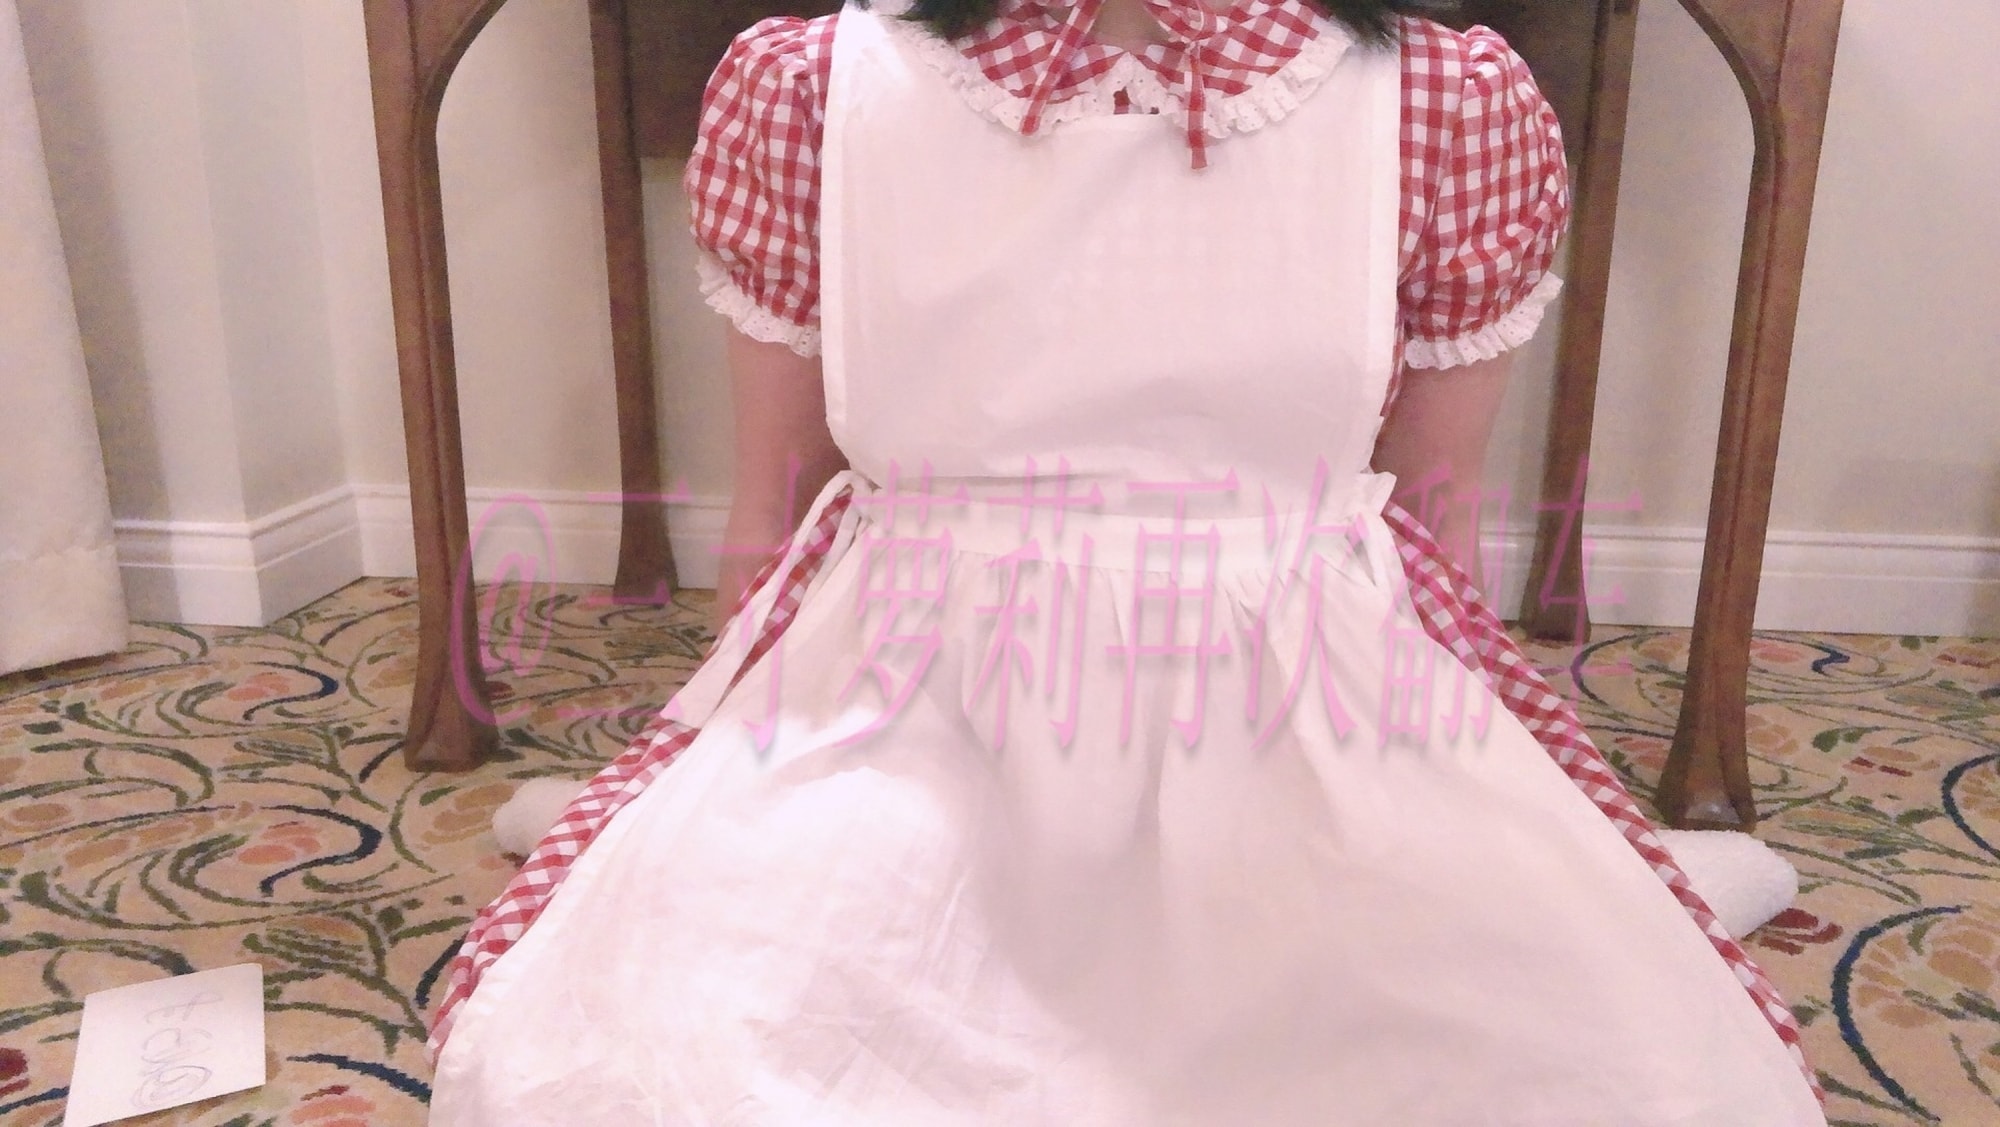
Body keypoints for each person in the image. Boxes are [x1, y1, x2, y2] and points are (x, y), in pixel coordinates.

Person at [425, 1, 1827, 1121]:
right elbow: (1432, 520)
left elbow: (1426, 524)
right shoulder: (813, 88)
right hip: (968, 691)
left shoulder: (1444, 104)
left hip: (1177, 682)